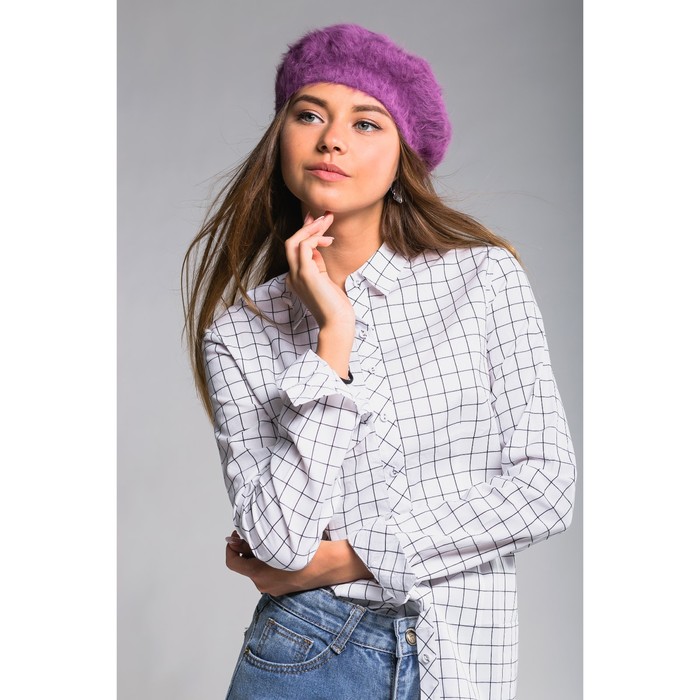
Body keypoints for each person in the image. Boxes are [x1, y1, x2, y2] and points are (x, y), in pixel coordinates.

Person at [182, 23, 577, 700]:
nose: (332, 139)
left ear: (403, 161)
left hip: (455, 659)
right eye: (310, 115)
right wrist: (332, 340)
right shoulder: (239, 335)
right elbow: (278, 544)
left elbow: (546, 488)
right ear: (281, 139)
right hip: (304, 653)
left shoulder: (483, 280)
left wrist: (341, 559)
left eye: (366, 123)